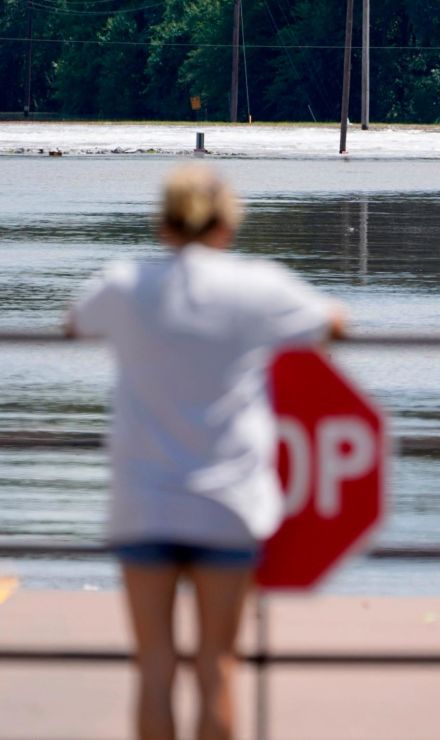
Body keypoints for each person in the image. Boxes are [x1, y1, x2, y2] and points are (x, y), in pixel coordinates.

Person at [66, 164, 344, 740]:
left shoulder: (127, 283)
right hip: (228, 503)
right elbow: (332, 322)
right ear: (227, 224)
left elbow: (74, 322)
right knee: (219, 666)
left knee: (154, 665)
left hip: (145, 502)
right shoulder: (258, 285)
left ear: (163, 223)